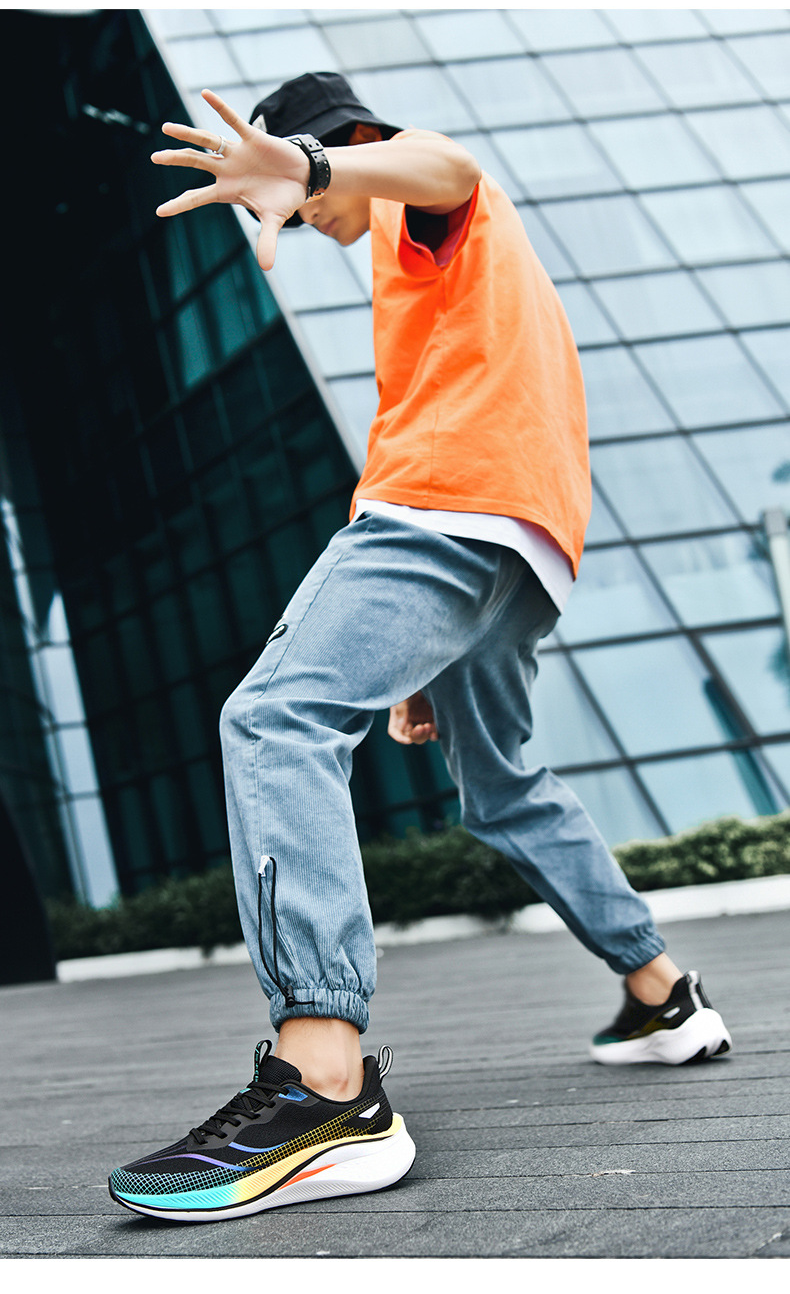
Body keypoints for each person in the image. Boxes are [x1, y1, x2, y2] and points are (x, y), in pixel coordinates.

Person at [108, 73, 731, 1223]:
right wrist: (418, 653)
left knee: (276, 717)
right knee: (505, 789)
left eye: (301, 195)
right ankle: (664, 991)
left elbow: (448, 164)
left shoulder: (418, 201)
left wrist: (312, 169)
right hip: (517, 545)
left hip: (446, 516)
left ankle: (323, 1083)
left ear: (342, 142)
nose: (301, 218)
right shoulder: (431, 271)